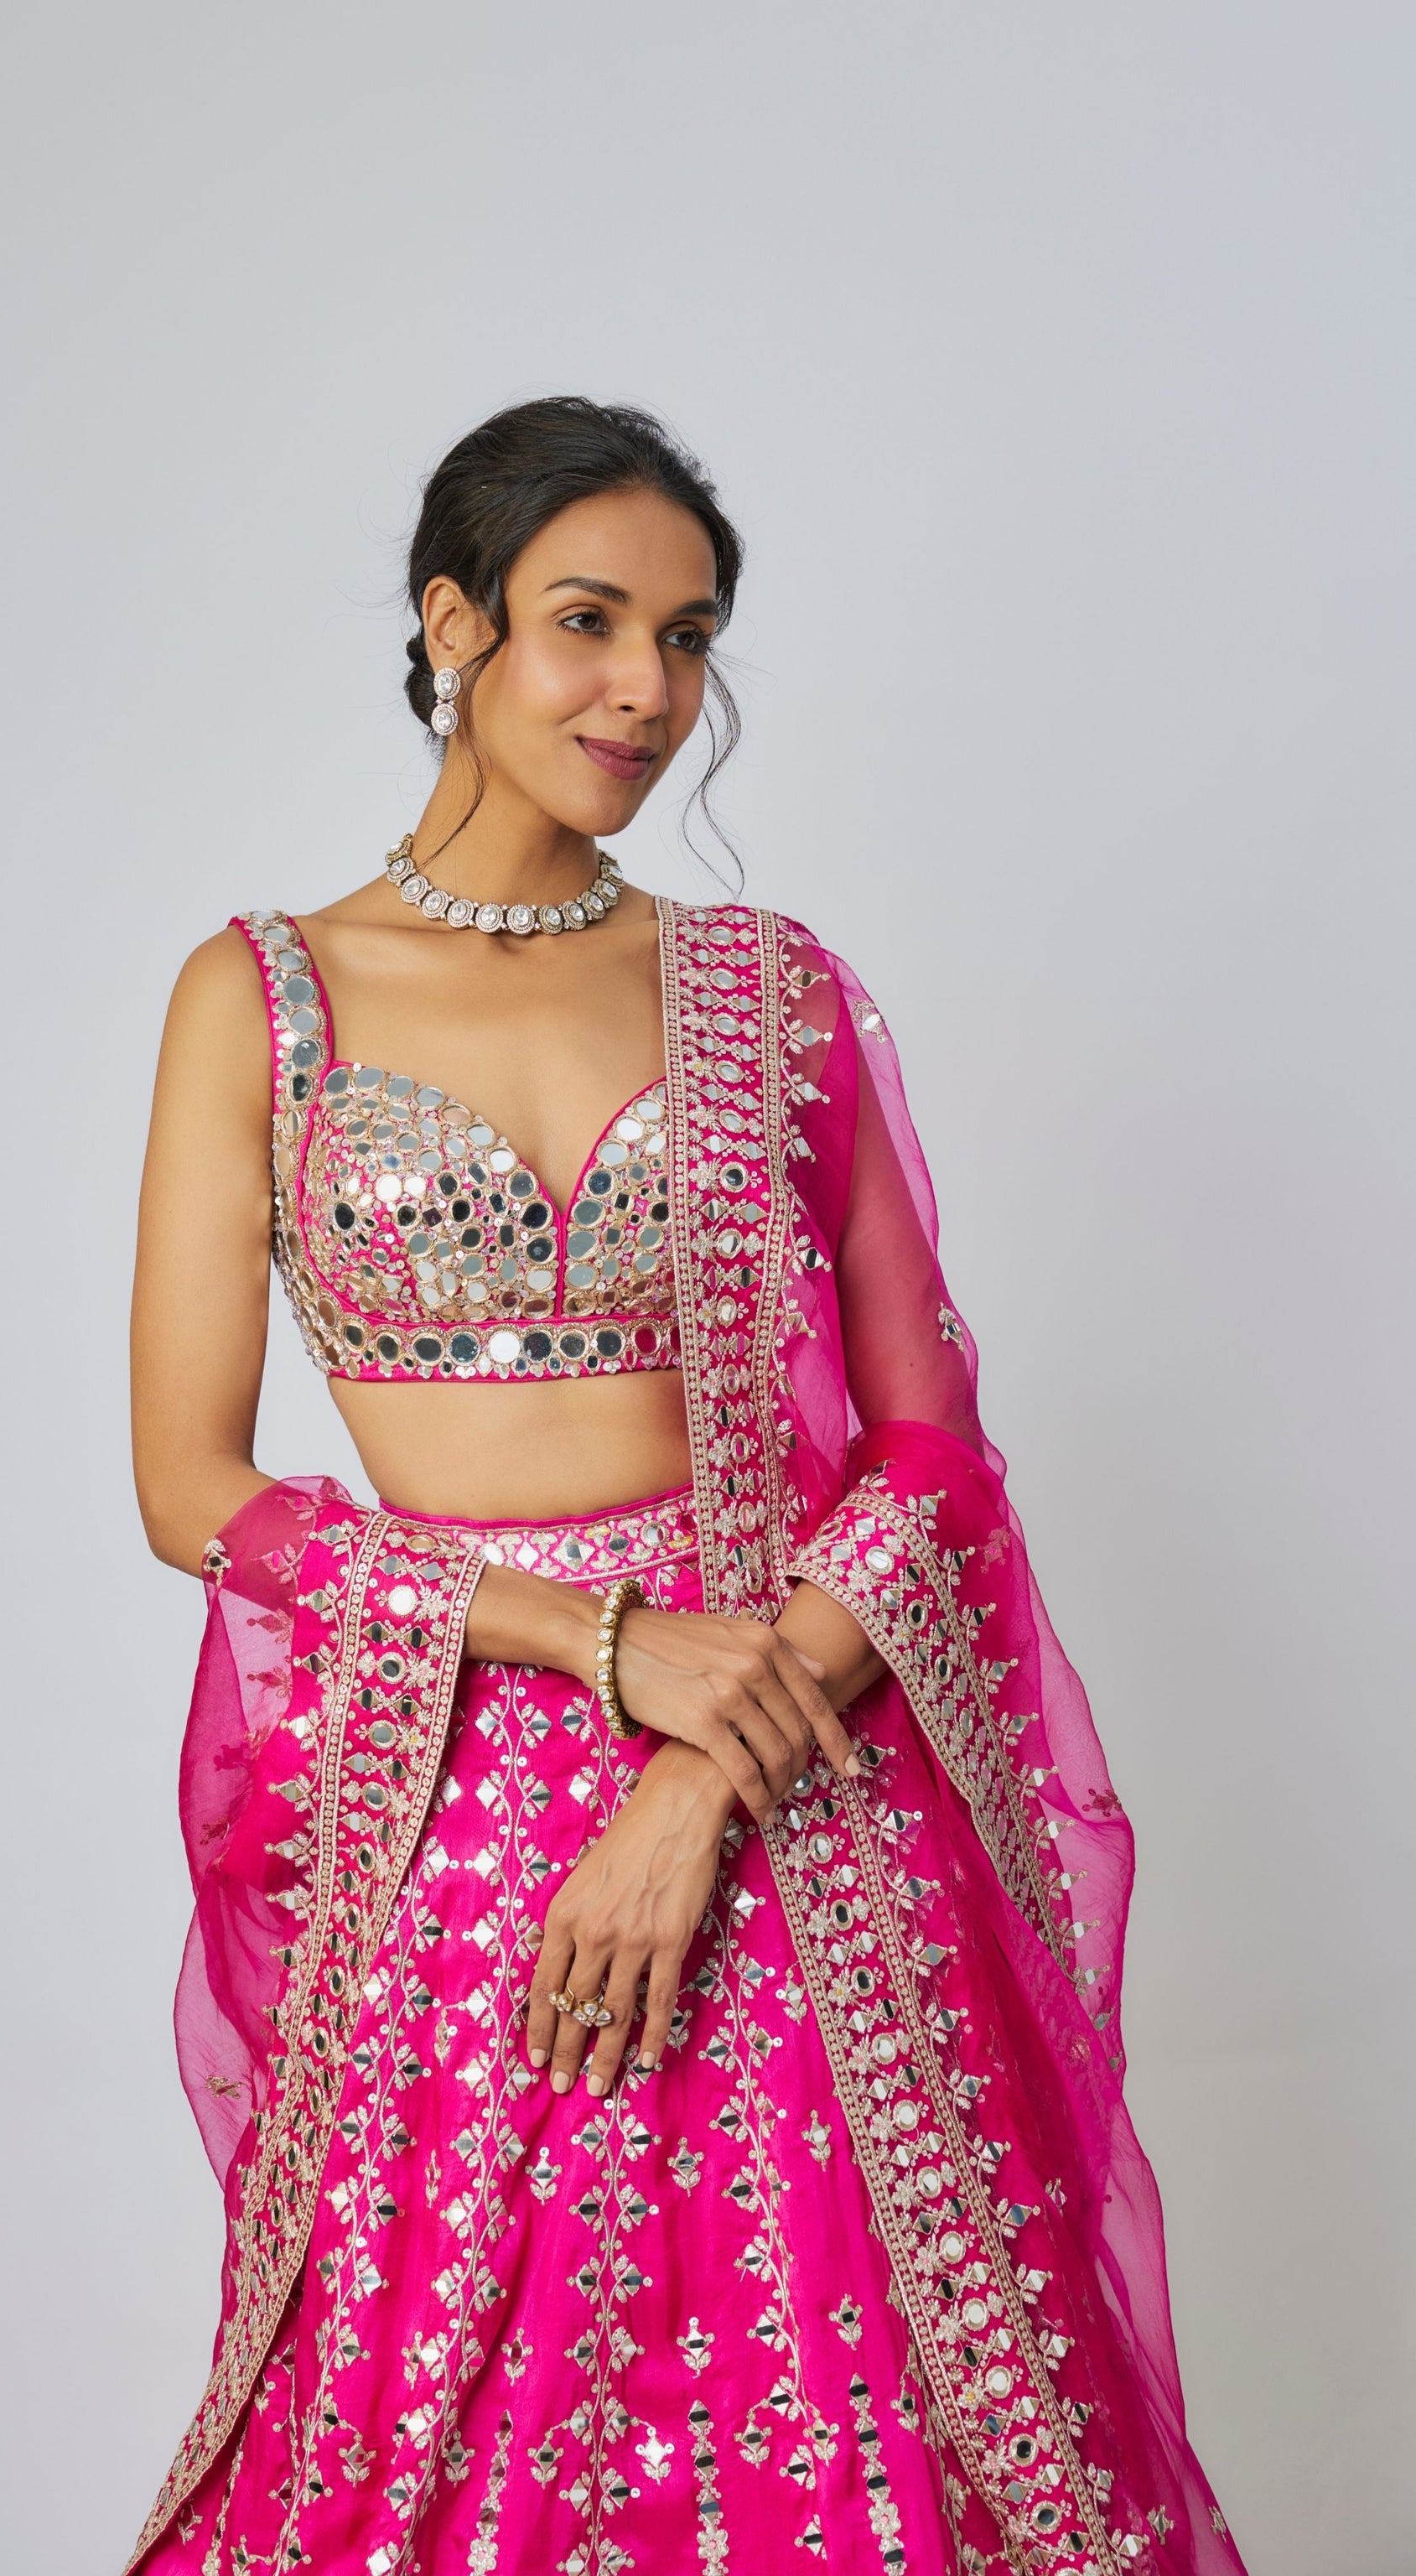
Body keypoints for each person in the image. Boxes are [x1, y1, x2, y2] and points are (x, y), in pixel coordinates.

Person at [125, 397, 1242, 2575]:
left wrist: (703, 1763)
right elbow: (194, 1485)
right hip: (448, 1808)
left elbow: (931, 1451)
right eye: (589, 620)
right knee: (441, 2416)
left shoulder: (765, 991)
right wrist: (600, 1643)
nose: (647, 687)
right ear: (454, 624)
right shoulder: (264, 998)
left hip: (799, 1770)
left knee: (875, 2388)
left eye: (691, 635)